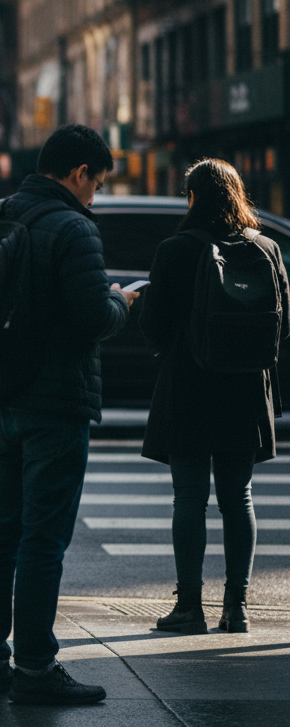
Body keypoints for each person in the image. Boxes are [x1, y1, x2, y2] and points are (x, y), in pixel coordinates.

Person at [0, 124, 136, 706]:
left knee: (0, 532)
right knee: (42, 540)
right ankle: (36, 668)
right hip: (55, 403)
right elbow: (93, 317)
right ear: (79, 172)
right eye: (96, 182)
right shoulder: (73, 226)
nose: (94, 194)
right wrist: (120, 300)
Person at [140, 159, 289, 635]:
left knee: (189, 497)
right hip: (246, 388)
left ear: (193, 197)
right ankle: (237, 608)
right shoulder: (266, 248)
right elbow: (283, 322)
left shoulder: (176, 249)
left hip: (188, 384)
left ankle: (188, 608)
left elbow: (154, 327)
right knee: (237, 496)